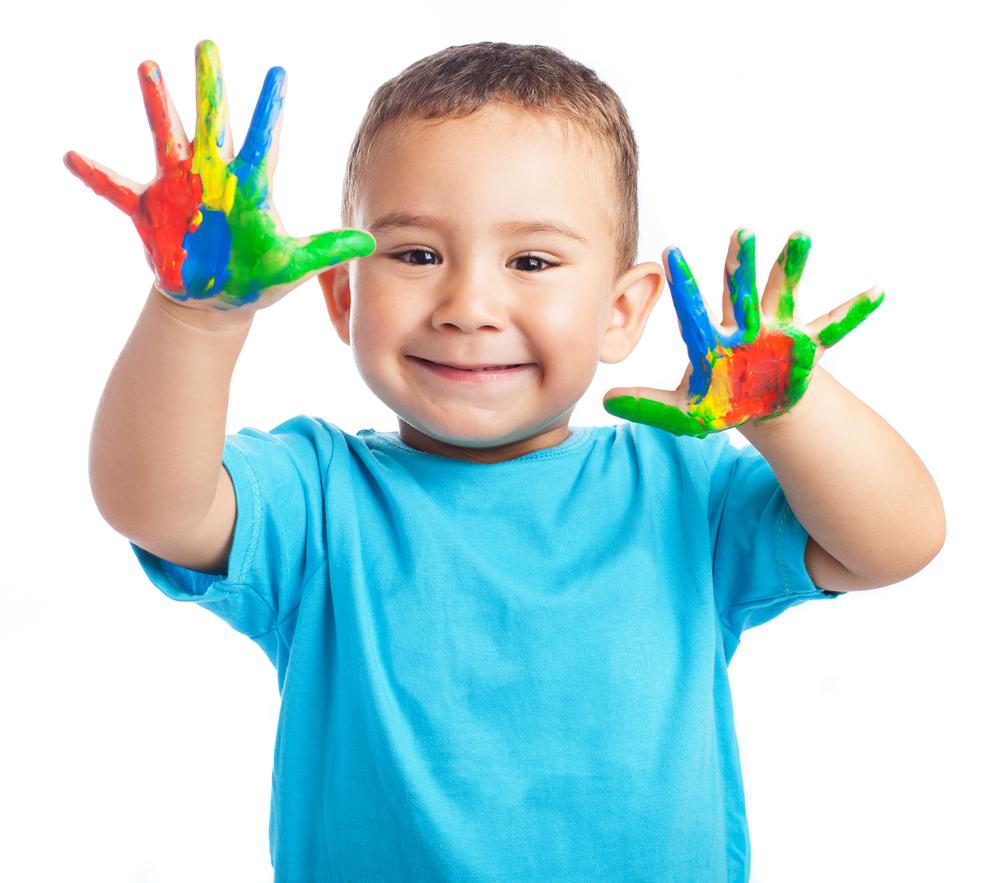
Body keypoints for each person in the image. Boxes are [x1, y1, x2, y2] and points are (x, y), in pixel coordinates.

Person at [66, 38, 945, 883]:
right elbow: (154, 503)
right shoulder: (318, 497)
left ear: (622, 310)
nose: (470, 303)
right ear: (343, 294)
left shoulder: (683, 489)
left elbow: (895, 542)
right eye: (416, 254)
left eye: (531, 259)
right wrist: (198, 315)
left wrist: (792, 414)